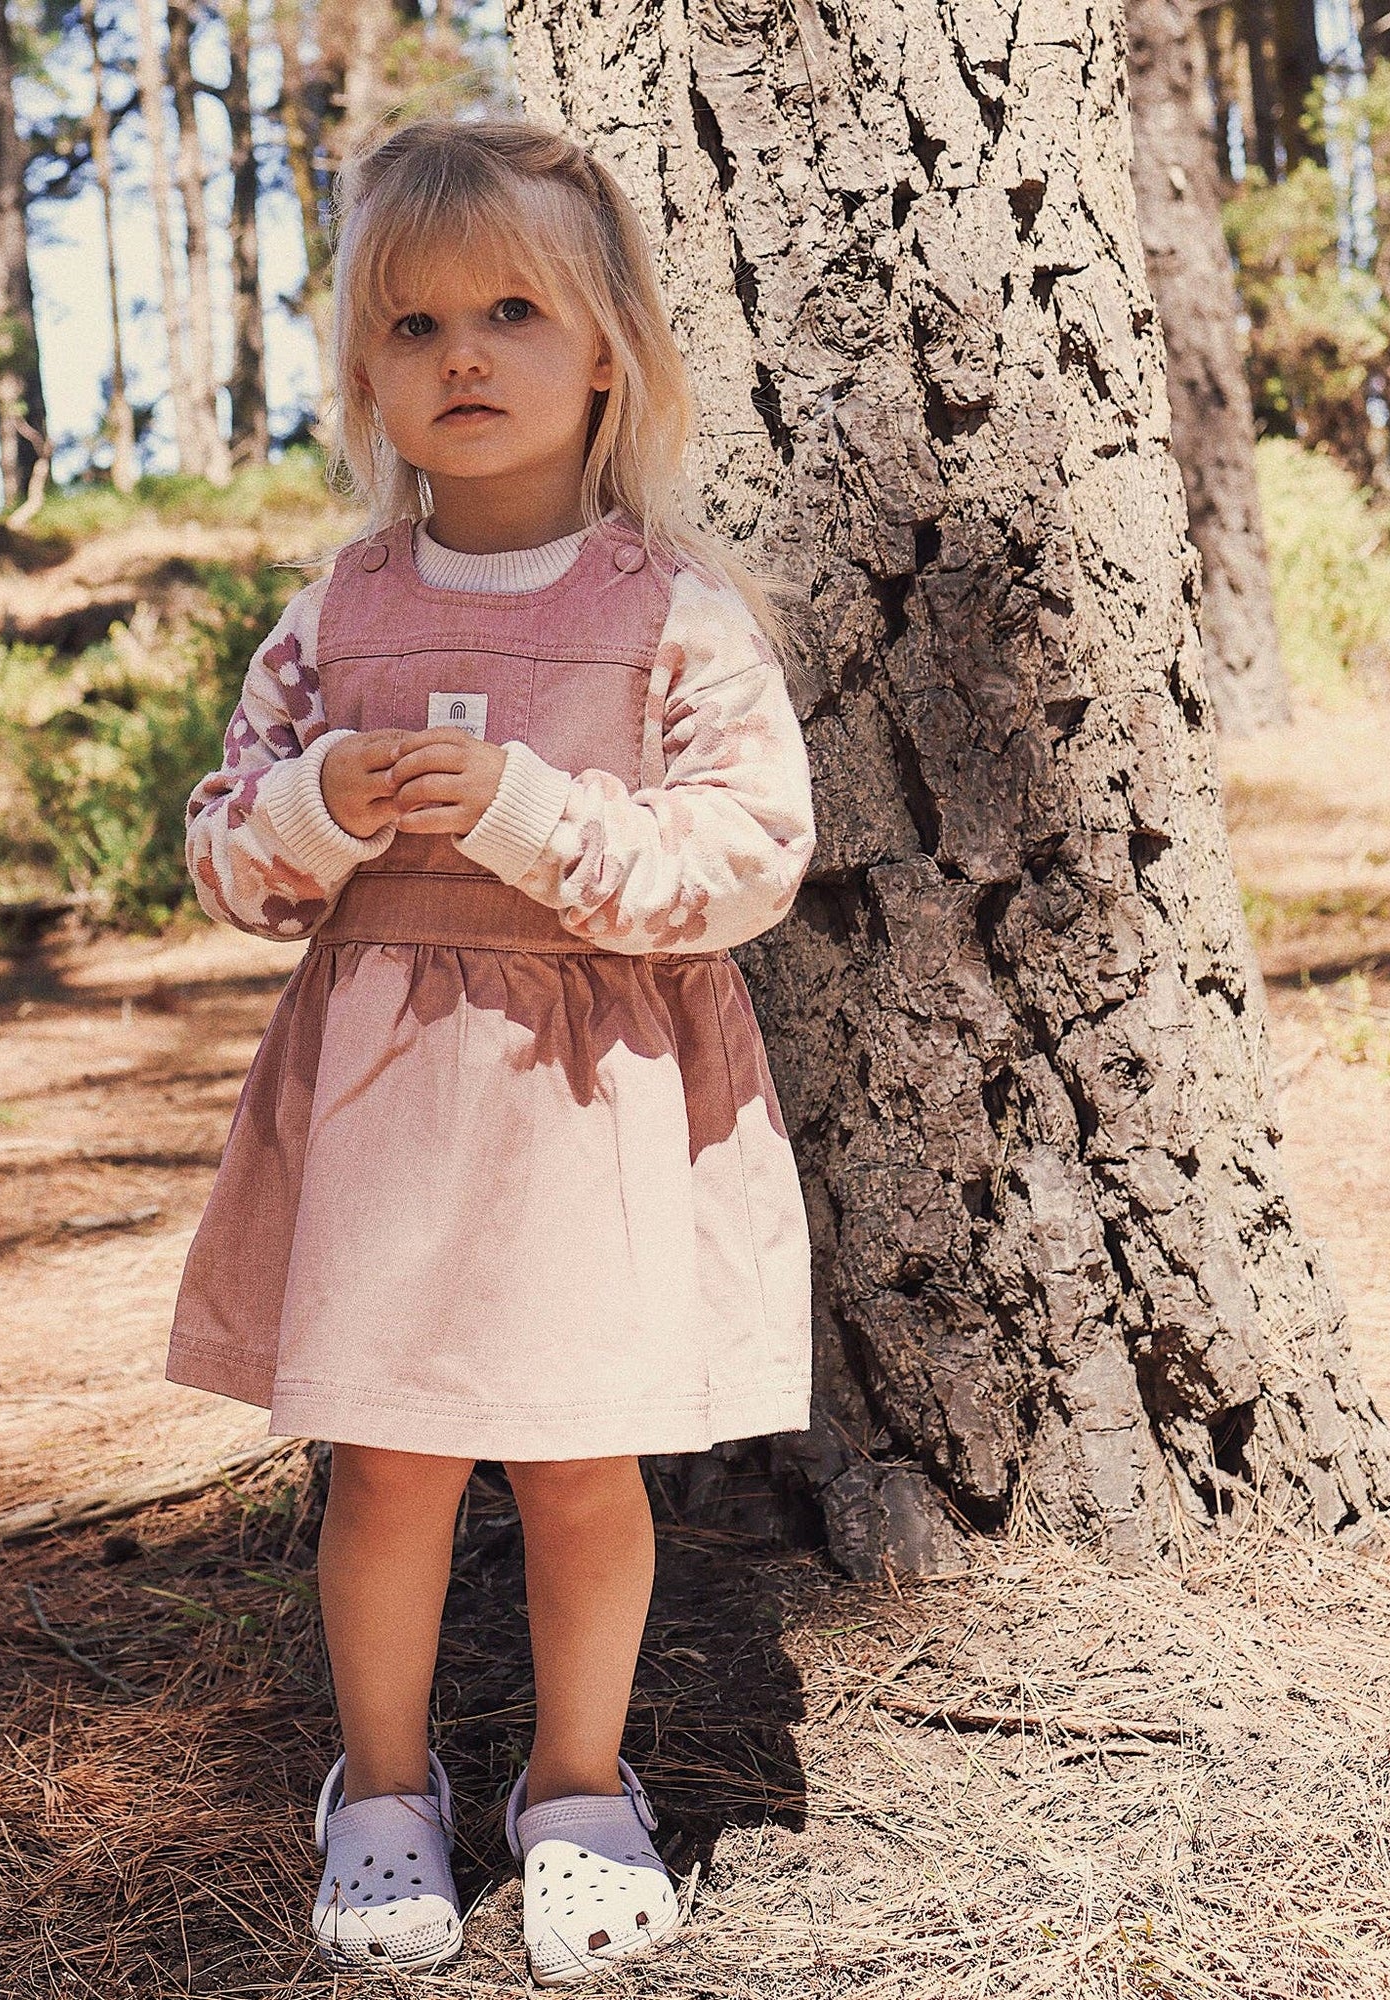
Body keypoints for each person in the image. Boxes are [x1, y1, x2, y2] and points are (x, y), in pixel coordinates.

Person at [165, 117, 816, 1987]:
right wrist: (316, 803)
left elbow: (750, 857)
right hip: (385, 1116)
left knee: (580, 1467)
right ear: (364, 369)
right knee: (380, 1466)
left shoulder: (669, 614)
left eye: (513, 311)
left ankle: (579, 1784)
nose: (462, 356)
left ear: (608, 348)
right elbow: (225, 853)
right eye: (412, 322)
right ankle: (380, 1792)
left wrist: (536, 817)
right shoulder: (338, 614)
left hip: (594, 1112)